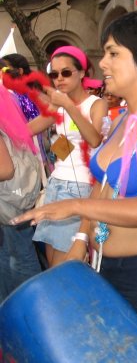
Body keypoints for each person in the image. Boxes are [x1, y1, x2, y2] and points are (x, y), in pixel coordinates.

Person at [13, 11, 137, 363]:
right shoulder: (126, 116)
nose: (103, 63)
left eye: (113, 53)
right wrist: (81, 240)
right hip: (106, 266)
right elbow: (104, 186)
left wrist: (74, 207)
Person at [28, 45, 107, 267]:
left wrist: (69, 106)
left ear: (82, 73)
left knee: (63, 267)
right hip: (56, 185)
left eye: (66, 72)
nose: (59, 79)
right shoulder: (59, 106)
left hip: (80, 188)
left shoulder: (96, 104)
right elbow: (27, 130)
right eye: (54, 74)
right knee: (52, 259)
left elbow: (94, 140)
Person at [0, 82, 42, 302]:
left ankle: (33, 307)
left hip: (9, 202)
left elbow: (5, 169)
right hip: (11, 200)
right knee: (11, 257)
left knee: (20, 258)